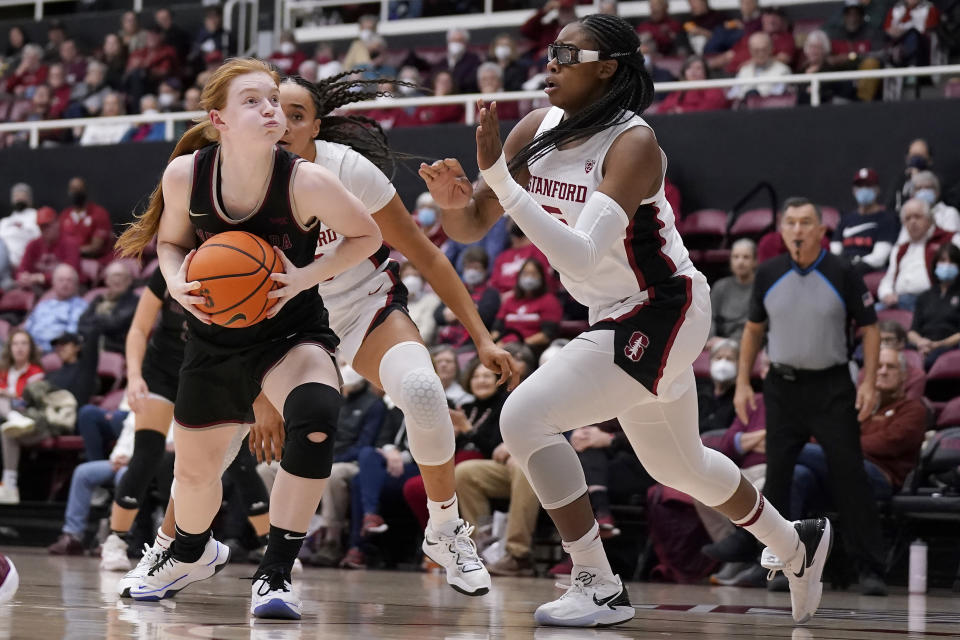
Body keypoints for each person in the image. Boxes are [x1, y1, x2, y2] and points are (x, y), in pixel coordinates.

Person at [420, 14, 831, 627]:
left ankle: (598, 581)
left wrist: (502, 183)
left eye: (567, 54)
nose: (550, 63)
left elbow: (582, 252)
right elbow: (475, 223)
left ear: (607, 68)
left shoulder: (632, 144)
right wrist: (457, 204)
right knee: (678, 464)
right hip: (613, 311)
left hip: (661, 306)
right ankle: (795, 542)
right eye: (551, 51)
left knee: (524, 416)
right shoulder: (537, 128)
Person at [114, 58, 382, 619]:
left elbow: (368, 235)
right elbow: (168, 244)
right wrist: (175, 282)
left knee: (314, 414)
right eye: (254, 101)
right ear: (219, 119)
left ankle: (276, 573)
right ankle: (191, 551)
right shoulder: (186, 174)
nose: (271, 110)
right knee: (193, 475)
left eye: (275, 102)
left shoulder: (305, 181)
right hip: (213, 338)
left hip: (291, 330)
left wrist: (304, 277)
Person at [250, 72, 519, 597]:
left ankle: (444, 529)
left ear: (316, 128)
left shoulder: (348, 170)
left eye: (297, 115)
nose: (282, 122)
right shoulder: (239, 180)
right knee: (221, 438)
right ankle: (182, 545)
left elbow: (425, 253)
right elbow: (243, 296)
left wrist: (482, 337)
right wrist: (261, 393)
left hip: (363, 305)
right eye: (274, 111)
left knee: (422, 391)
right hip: (287, 325)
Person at [736, 197, 888, 596]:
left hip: (832, 388)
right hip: (783, 389)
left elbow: (870, 329)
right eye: (791, 223)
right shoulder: (768, 273)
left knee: (849, 475)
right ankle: (770, 562)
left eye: (806, 223)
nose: (798, 230)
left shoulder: (844, 273)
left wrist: (869, 382)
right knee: (778, 478)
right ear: (782, 231)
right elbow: (753, 330)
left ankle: (868, 567)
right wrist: (741, 384)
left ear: (822, 230)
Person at [103, 270, 274, 591]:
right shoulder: (170, 269)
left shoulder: (237, 267)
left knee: (235, 459)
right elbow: (139, 329)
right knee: (147, 453)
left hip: (207, 371)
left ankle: (268, 542)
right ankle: (115, 540)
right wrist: (135, 375)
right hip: (163, 372)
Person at [790, 346, 926, 526]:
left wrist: (840, 445)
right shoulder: (856, 407)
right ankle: (784, 549)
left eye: (890, 367)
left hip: (878, 477)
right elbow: (819, 437)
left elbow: (888, 443)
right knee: (797, 475)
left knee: (790, 448)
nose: (883, 371)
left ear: (903, 375)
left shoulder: (913, 410)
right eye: (878, 366)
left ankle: (745, 540)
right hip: (835, 474)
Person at [878, 198, 956, 311]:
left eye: (917, 216)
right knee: (870, 315)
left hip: (933, 301)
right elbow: (888, 279)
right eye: (908, 218)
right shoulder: (900, 249)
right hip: (899, 300)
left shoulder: (951, 239)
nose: (912, 222)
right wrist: (886, 294)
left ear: (929, 219)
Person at [0, 330, 46, 505]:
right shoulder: (3, 370)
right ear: (9, 348)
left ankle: (9, 485)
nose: (19, 348)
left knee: (7, 430)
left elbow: (27, 399)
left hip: (28, 417)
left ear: (30, 348)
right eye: (15, 343)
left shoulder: (36, 372)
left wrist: (6, 393)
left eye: (24, 343)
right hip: (6, 416)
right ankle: (12, 417)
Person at [831, 168, 899, 274]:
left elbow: (879, 257)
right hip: (842, 267)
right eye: (860, 186)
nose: (863, 190)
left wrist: (853, 267)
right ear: (853, 190)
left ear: (877, 190)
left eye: (868, 186)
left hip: (866, 270)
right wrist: (841, 264)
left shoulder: (887, 219)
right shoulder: (846, 218)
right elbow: (835, 248)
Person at [434, 246, 501, 348]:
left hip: (473, 344)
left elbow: (485, 318)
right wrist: (451, 315)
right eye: (469, 267)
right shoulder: (455, 290)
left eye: (476, 268)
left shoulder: (491, 293)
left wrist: (456, 313)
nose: (472, 271)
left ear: (485, 270)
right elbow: (438, 315)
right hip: (447, 342)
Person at [491, 257, 563, 351]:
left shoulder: (549, 301)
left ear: (541, 277)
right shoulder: (510, 300)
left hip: (530, 348)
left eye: (534, 274)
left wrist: (519, 345)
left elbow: (547, 334)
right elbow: (496, 329)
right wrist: (496, 343)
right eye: (525, 273)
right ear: (519, 276)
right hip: (504, 347)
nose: (529, 278)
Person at [907, 243, 960, 369]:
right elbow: (912, 331)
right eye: (942, 261)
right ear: (935, 264)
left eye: (952, 262)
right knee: (898, 358)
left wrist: (938, 344)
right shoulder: (925, 296)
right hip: (923, 344)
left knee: (927, 362)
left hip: (949, 346)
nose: (946, 265)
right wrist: (920, 342)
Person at [23, 264, 87, 352]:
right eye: (61, 280)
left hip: (51, 351)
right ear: (53, 283)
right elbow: (27, 327)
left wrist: (44, 348)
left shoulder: (80, 306)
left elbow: (71, 336)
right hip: (29, 348)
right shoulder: (44, 305)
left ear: (76, 284)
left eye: (69, 280)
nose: (65, 284)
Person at [77, 261, 137, 354]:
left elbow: (115, 323)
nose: (117, 279)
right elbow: (82, 322)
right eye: (113, 276)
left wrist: (95, 320)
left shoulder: (134, 300)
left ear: (129, 281)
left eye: (121, 276)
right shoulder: (99, 299)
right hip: (93, 344)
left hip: (118, 347)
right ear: (107, 280)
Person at [16, 207, 81, 288]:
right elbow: (21, 269)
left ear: (57, 223)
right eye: (41, 227)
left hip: (67, 287)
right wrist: (23, 278)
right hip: (39, 287)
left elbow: (70, 272)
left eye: (47, 225)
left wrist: (41, 278)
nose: (44, 230)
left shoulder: (70, 243)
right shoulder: (33, 244)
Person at [708, 238, 757, 346]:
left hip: (748, 345)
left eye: (746, 257)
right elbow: (709, 317)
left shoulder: (760, 288)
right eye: (736, 257)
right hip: (717, 345)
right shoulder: (720, 286)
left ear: (755, 261)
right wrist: (711, 338)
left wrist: (730, 343)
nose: (740, 261)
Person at [656, 56, 729, 114]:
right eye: (689, 68)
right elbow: (661, 110)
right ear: (684, 72)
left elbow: (708, 111)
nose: (693, 71)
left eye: (698, 68)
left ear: (705, 72)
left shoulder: (714, 89)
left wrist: (683, 111)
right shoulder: (679, 90)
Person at [698, 339, 739, 434]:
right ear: (711, 362)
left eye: (729, 359)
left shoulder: (739, 398)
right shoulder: (699, 393)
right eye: (718, 358)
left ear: (738, 364)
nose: (723, 363)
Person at [399, 261, 441, 345]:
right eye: (407, 276)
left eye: (415, 275)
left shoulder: (431, 300)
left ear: (422, 281)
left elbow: (426, 332)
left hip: (418, 347)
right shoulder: (395, 302)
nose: (411, 280)